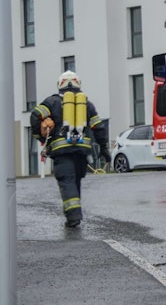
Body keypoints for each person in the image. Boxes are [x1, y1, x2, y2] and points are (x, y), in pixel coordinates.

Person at [30, 71, 108, 228]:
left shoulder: (51, 102)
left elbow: (35, 116)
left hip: (62, 150)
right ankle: (75, 214)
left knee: (67, 181)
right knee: (75, 180)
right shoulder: (85, 103)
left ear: (60, 84)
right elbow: (98, 127)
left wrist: (42, 137)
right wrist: (104, 149)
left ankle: (73, 216)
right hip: (81, 150)